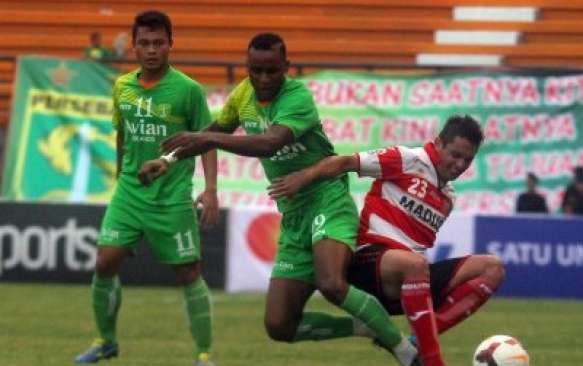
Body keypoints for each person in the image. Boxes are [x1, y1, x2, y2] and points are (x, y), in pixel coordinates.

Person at [138, 33, 418, 365]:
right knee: (279, 325)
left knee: (331, 283)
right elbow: (217, 131)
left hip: (327, 198)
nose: (264, 79)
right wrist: (168, 160)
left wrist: (203, 135)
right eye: (256, 70)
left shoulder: (297, 97)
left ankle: (407, 352)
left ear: (286, 67)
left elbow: (269, 143)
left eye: (272, 71)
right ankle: (368, 326)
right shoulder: (243, 94)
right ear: (248, 67)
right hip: (294, 214)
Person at [268, 115, 505, 366]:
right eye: (455, 155)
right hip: (368, 262)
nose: (459, 165)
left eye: (467, 160)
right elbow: (346, 162)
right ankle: (431, 360)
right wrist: (304, 177)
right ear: (437, 144)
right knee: (414, 265)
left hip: (407, 279)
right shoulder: (406, 159)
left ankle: (416, 341)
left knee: (492, 268)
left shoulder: (448, 198)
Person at [75, 11, 219, 366]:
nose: (152, 50)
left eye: (158, 43)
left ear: (171, 44)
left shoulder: (188, 90)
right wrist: (121, 172)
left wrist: (211, 189)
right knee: (105, 261)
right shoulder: (122, 86)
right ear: (134, 46)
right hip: (128, 191)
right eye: (144, 43)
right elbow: (121, 132)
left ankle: (203, 355)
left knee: (188, 273)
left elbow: (207, 141)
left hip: (171, 196)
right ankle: (106, 341)